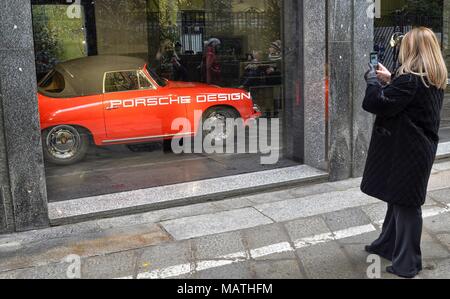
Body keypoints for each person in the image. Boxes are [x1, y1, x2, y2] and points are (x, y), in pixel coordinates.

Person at [361, 27, 448, 278]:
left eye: (405, 45)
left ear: (414, 49)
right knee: (398, 199)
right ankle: (387, 244)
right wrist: (390, 79)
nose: (401, 48)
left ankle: (408, 263)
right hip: (416, 149)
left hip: (408, 151)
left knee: (407, 205)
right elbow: (405, 95)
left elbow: (376, 104)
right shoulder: (431, 76)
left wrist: (373, 82)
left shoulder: (410, 80)